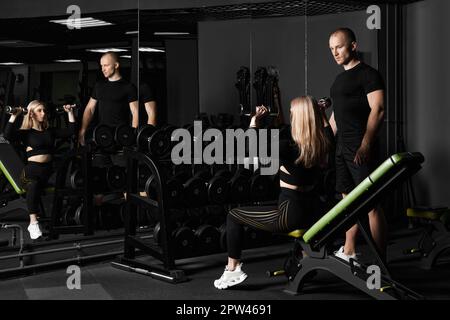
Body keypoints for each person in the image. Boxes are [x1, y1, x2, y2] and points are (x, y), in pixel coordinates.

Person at [214, 96, 334, 290]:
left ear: (298, 120)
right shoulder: (323, 144)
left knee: (233, 216)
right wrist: (321, 114)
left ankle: (233, 268)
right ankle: (303, 259)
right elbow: (327, 131)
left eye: (293, 114)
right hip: (314, 213)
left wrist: (254, 121)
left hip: (290, 215)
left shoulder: (288, 147)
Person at [326, 27, 387, 262]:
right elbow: (336, 119)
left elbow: (378, 110)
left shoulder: (369, 75)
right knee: (347, 200)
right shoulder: (338, 80)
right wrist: (323, 143)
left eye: (339, 46)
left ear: (353, 45)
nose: (335, 52)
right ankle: (349, 249)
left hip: (361, 147)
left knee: (371, 204)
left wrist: (366, 145)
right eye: (331, 49)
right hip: (342, 148)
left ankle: (382, 261)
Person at [3, 100, 76, 240]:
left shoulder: (50, 131)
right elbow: (6, 136)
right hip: (30, 173)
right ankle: (33, 222)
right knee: (34, 184)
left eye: (44, 111)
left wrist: (70, 113)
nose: (43, 113)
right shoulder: (26, 133)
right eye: (39, 110)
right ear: (31, 114)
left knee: (64, 183)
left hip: (47, 173)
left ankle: (57, 221)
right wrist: (14, 115)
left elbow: (71, 131)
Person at [78, 51, 138, 147]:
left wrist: (132, 135)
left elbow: (135, 112)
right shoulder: (99, 86)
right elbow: (89, 109)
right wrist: (83, 130)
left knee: (120, 161)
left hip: (120, 137)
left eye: (106, 65)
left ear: (116, 65)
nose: (103, 69)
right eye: (101, 66)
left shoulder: (128, 87)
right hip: (102, 135)